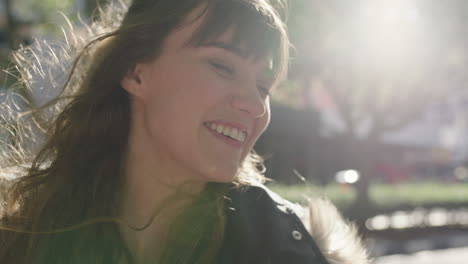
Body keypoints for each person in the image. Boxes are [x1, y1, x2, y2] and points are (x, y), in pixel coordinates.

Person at [0, 0, 368, 263]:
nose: (255, 106)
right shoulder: (20, 237)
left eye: (263, 87)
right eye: (222, 66)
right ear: (135, 72)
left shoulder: (291, 250)